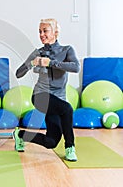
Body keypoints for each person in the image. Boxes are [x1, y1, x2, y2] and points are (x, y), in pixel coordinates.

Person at [13, 18, 80, 161]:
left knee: (51, 142)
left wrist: (51, 63)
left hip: (57, 100)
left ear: (55, 32)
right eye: (39, 31)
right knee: (67, 109)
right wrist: (31, 63)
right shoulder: (38, 52)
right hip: (40, 96)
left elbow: (75, 67)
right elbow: (18, 73)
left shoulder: (66, 50)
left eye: (45, 31)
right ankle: (70, 147)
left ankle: (19, 135)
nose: (41, 34)